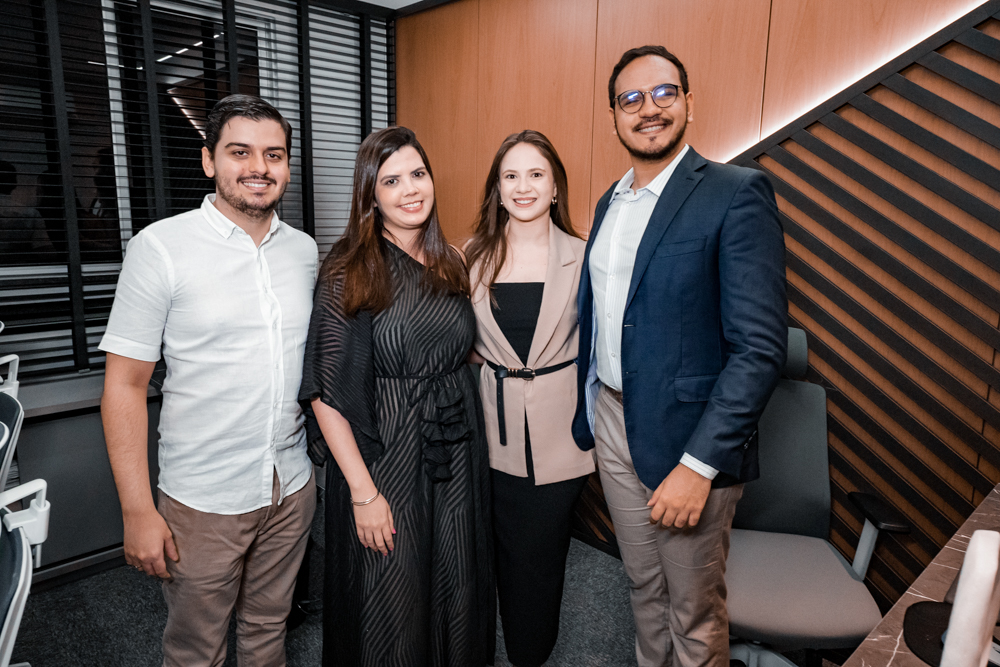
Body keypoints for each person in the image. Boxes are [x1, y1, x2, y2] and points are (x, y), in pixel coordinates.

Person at [571, 45, 788, 667]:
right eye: (631, 99)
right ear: (614, 115)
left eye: (664, 92)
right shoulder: (611, 202)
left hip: (687, 439)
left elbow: (759, 348)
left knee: (693, 610)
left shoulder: (735, 192)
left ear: (689, 102)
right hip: (614, 422)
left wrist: (699, 465)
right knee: (642, 587)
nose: (649, 109)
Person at [100, 94, 318, 667]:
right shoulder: (160, 248)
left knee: (268, 630)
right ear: (208, 160)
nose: (259, 167)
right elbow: (124, 386)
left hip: (291, 486)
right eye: (239, 152)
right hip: (203, 499)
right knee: (196, 650)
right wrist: (137, 510)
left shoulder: (304, 252)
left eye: (274, 154)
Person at [299, 125, 494, 667]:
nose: (411, 189)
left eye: (418, 174)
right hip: (385, 458)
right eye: (391, 181)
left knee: (456, 584)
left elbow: (460, 349)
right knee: (390, 597)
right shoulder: (350, 269)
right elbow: (325, 393)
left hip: (456, 450)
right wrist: (363, 494)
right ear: (371, 195)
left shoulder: (450, 259)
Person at [464, 130, 594, 667]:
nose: (523, 186)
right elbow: (454, 336)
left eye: (536, 174)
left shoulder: (585, 256)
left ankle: (531, 655)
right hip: (488, 433)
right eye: (511, 176)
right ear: (497, 189)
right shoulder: (468, 257)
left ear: (555, 187)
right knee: (491, 555)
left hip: (560, 435)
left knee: (540, 560)